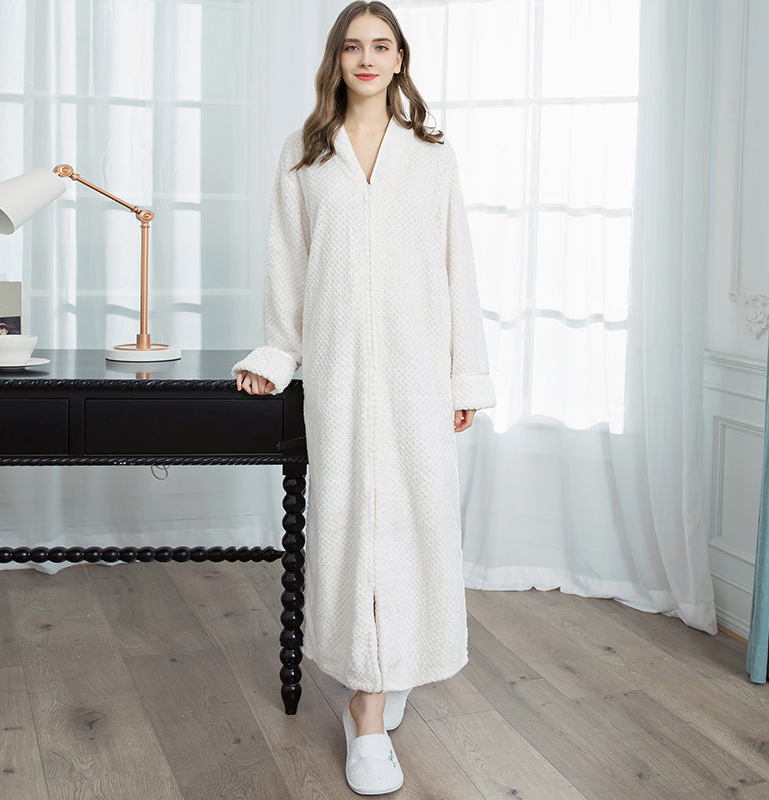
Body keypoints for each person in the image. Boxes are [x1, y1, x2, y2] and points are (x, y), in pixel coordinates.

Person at [231, 2, 495, 794]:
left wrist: (465, 376)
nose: (368, 58)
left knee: (415, 520)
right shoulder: (305, 152)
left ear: (400, 57)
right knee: (349, 522)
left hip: (417, 374)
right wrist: (277, 354)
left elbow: (457, 270)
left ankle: (390, 667)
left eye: (381, 45)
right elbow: (287, 266)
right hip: (340, 374)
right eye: (354, 46)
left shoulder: (432, 156)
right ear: (337, 59)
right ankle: (366, 707)